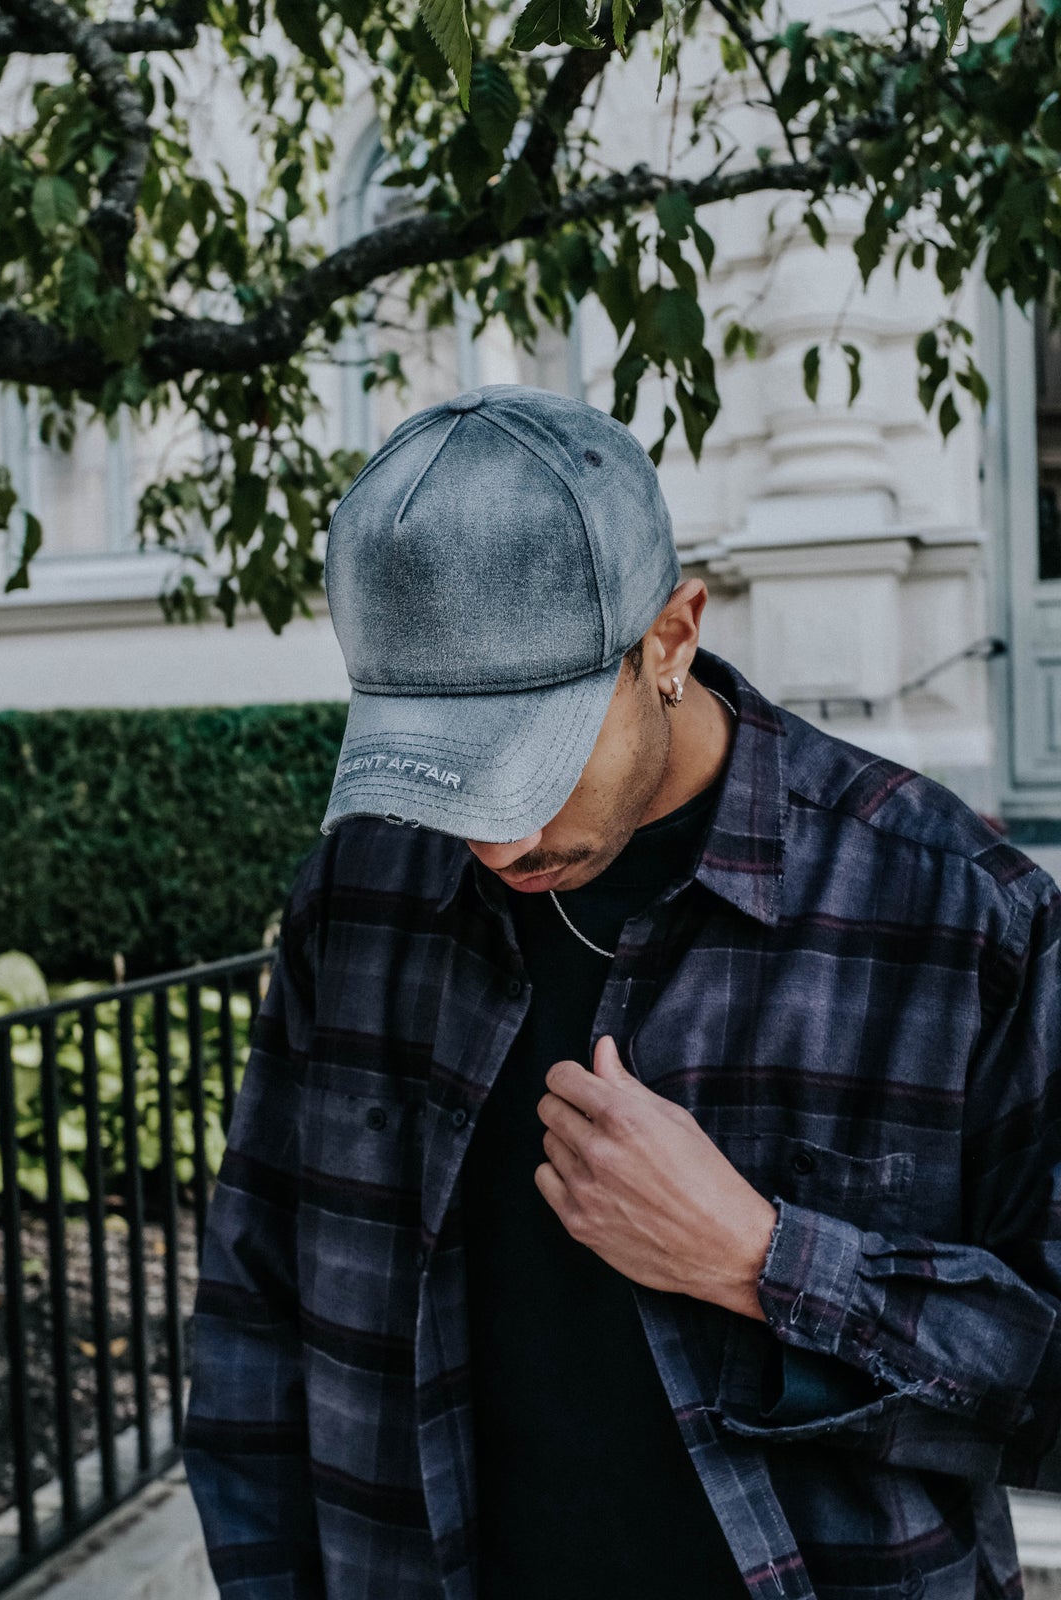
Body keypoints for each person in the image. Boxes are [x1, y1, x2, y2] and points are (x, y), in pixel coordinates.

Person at [183, 384, 1061, 1600]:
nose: (490, 836)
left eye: (528, 759)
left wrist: (760, 1259)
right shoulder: (363, 888)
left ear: (671, 637)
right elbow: (253, 1315)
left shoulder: (952, 914)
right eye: (445, 768)